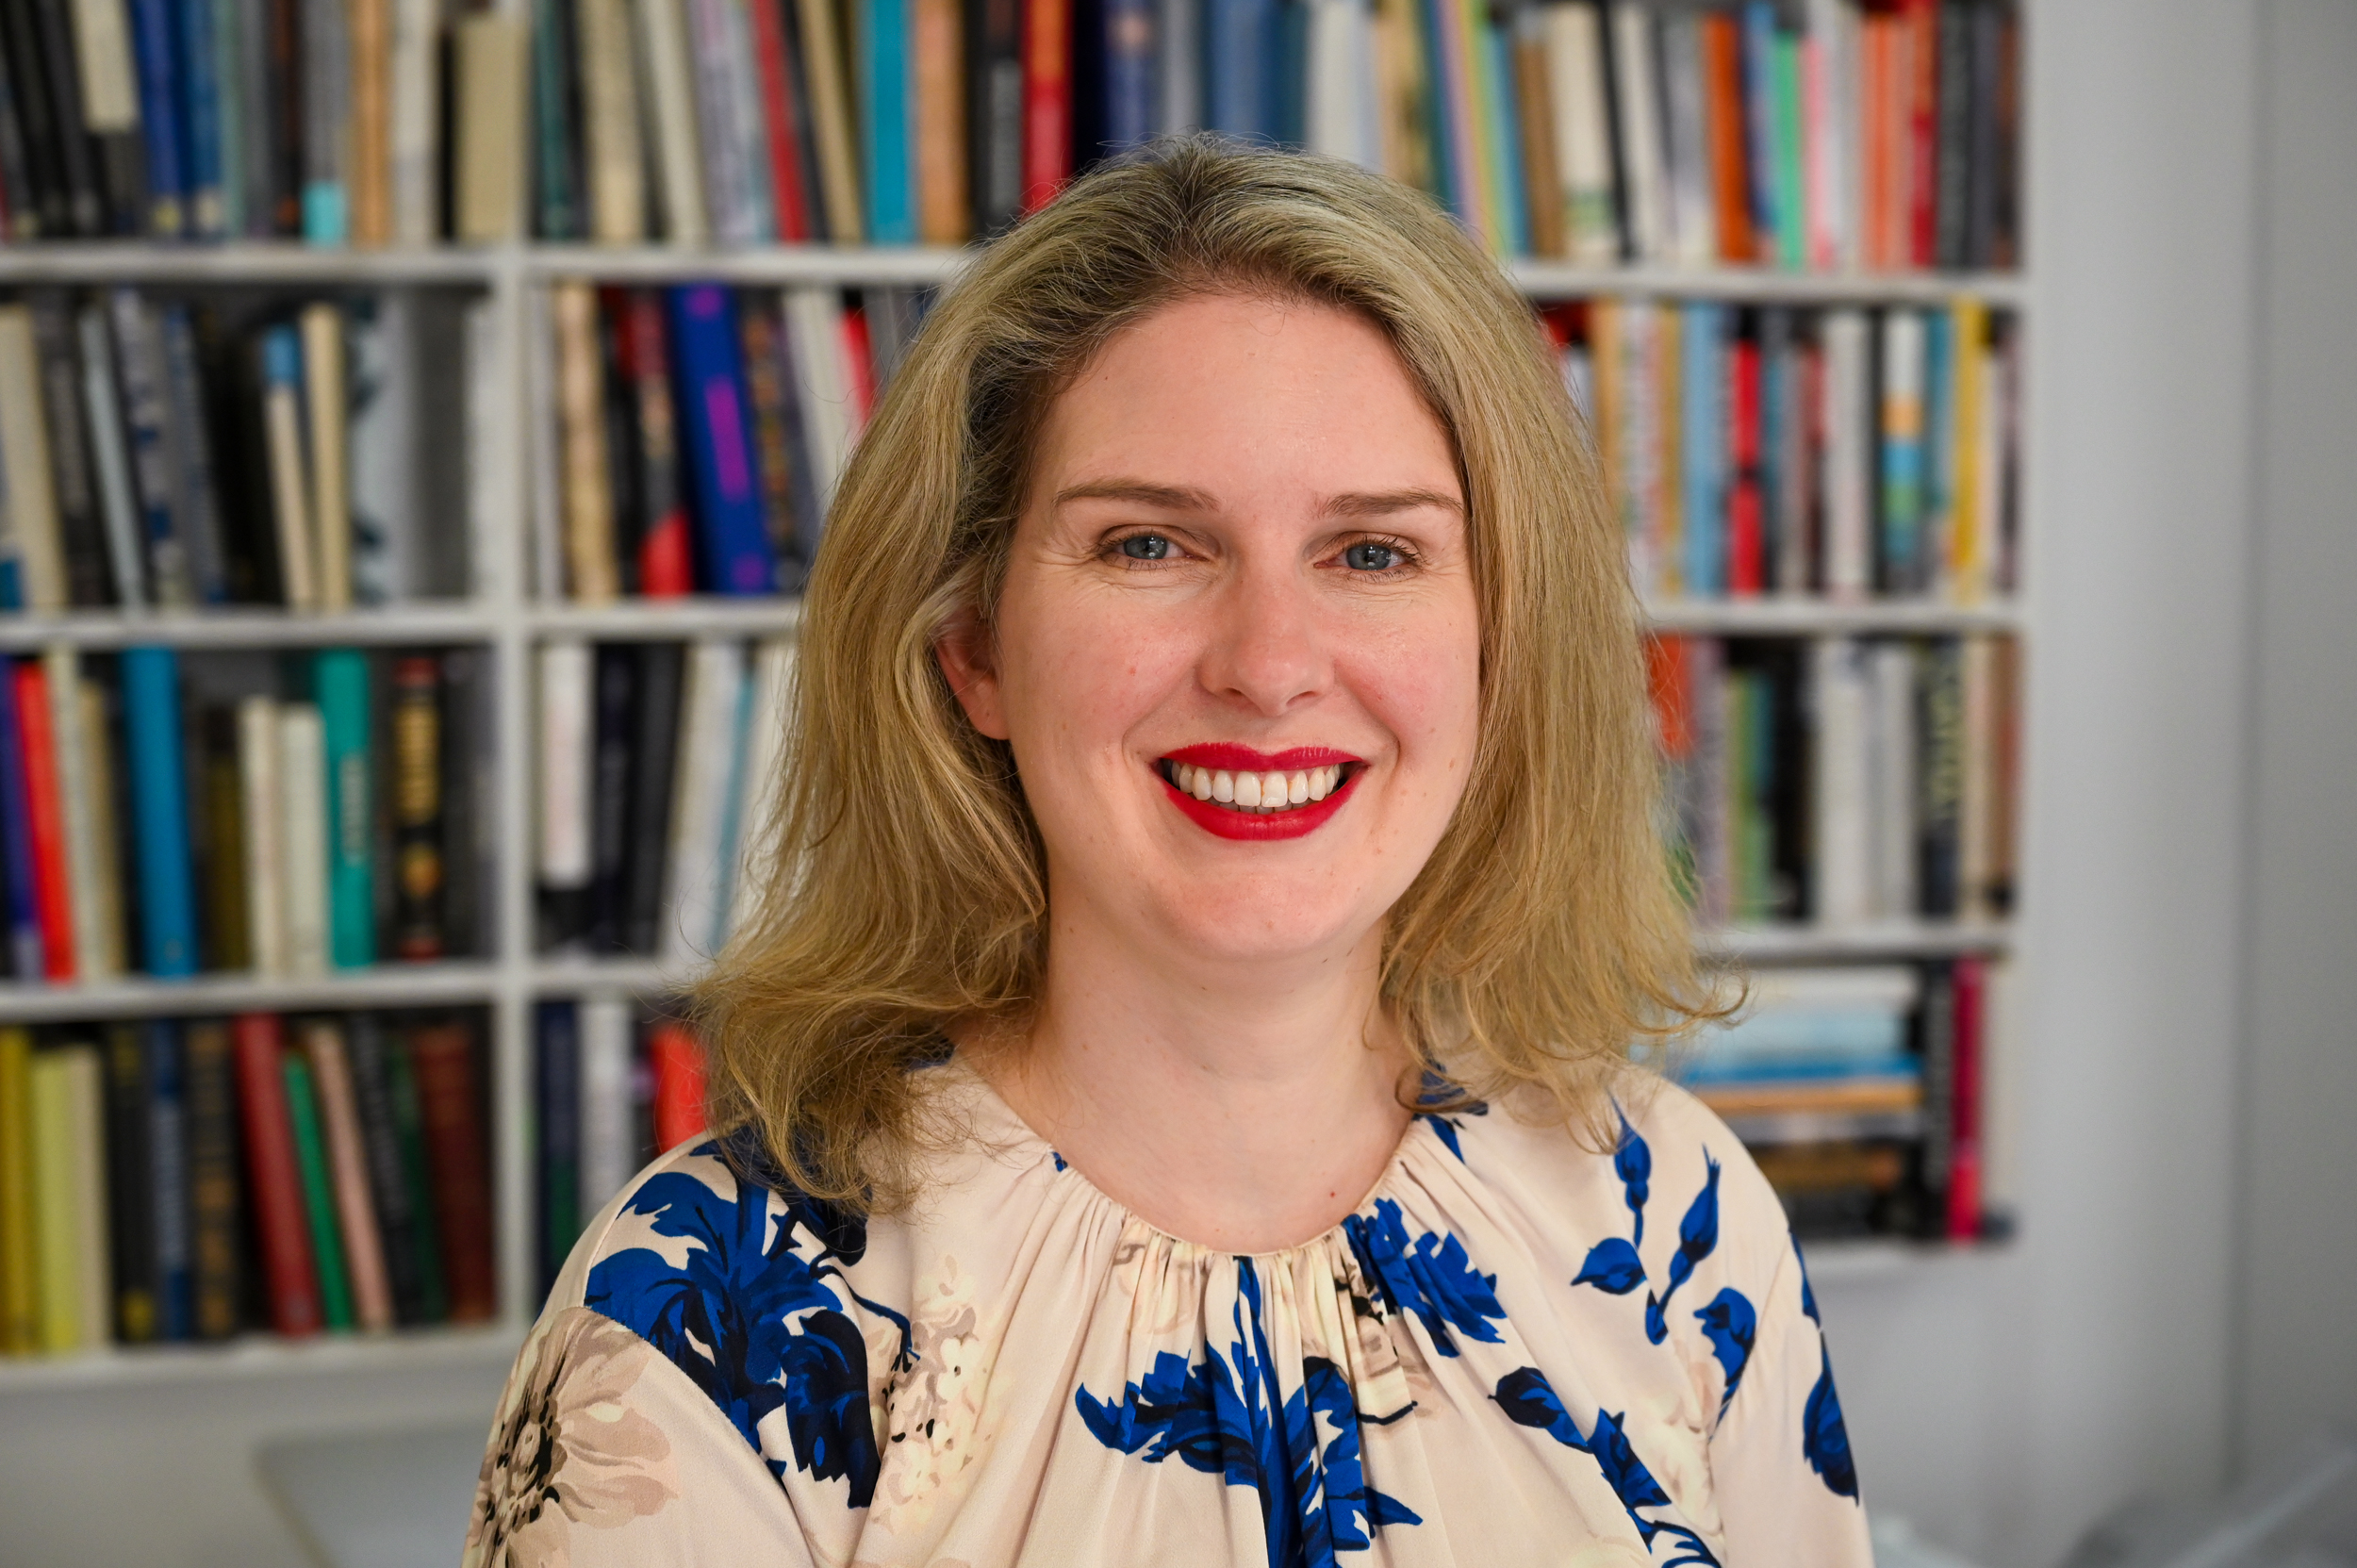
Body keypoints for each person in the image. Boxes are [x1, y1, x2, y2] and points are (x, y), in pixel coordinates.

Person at [466, 140, 1870, 1568]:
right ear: (974, 648)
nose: (1269, 665)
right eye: (1148, 545)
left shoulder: (1672, 1214)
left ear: (1497, 648)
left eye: (1372, 554)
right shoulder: (703, 1312)